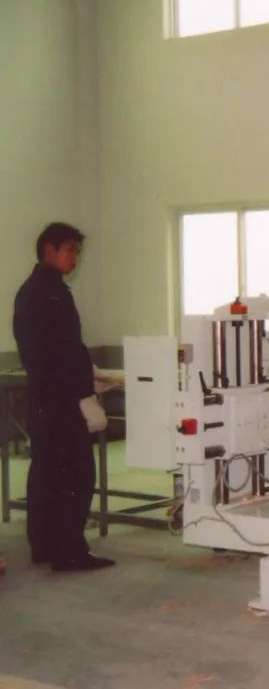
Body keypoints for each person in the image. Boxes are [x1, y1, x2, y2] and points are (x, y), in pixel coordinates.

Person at [13, 222, 114, 572]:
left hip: (44, 397)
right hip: (61, 401)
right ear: (49, 250)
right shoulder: (52, 293)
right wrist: (85, 396)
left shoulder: (31, 290)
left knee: (46, 472)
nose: (75, 258)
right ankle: (69, 550)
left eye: (77, 252)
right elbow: (65, 350)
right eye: (70, 250)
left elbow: (56, 348)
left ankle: (44, 544)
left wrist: (89, 370)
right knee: (76, 474)